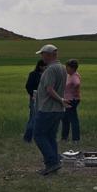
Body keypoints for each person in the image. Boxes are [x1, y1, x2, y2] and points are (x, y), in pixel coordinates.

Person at [32, 44, 68, 175]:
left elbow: (50, 89)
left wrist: (61, 100)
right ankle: (53, 164)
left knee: (39, 135)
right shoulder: (63, 68)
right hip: (58, 110)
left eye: (42, 54)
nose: (42, 57)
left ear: (49, 54)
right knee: (50, 136)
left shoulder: (50, 70)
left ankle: (52, 162)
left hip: (47, 109)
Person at [22, 59, 46, 143]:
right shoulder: (33, 74)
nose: (46, 68)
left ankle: (36, 137)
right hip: (35, 99)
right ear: (40, 66)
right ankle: (27, 137)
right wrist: (33, 95)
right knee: (33, 118)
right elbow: (28, 86)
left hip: (45, 100)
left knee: (40, 118)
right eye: (44, 66)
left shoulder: (47, 75)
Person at [61, 59, 81, 145]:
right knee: (65, 119)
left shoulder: (74, 76)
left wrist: (75, 93)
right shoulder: (70, 75)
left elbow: (77, 83)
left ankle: (75, 139)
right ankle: (64, 138)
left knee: (73, 119)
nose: (66, 69)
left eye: (67, 67)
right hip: (67, 100)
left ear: (72, 68)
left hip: (72, 100)